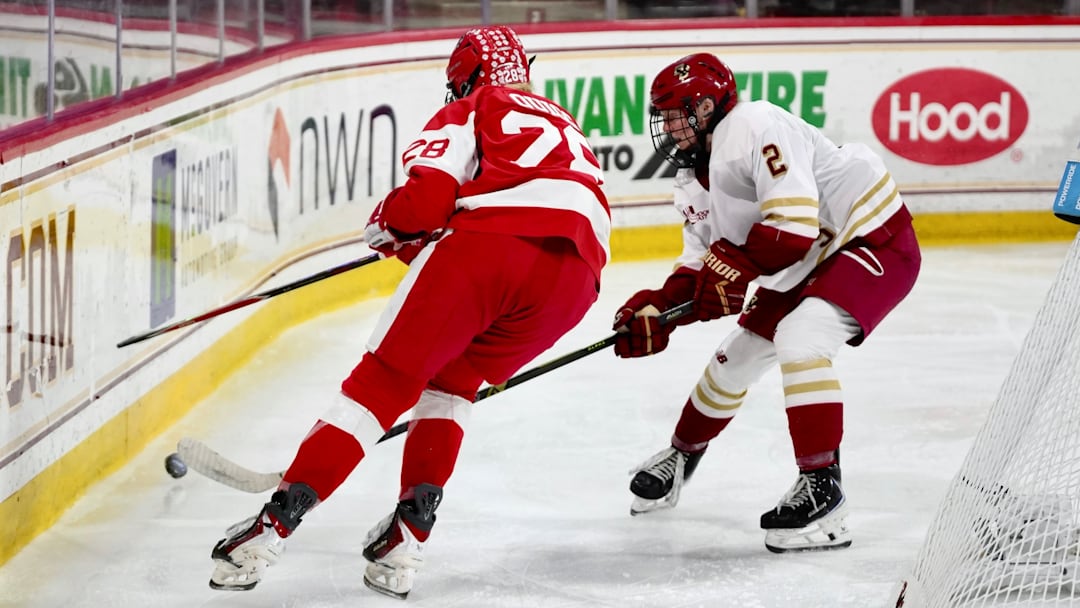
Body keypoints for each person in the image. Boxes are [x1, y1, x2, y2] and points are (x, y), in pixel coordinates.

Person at [207, 25, 610, 598]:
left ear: (466, 76)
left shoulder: (475, 107)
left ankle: (267, 530)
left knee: (382, 383)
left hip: (490, 250)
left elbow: (426, 206)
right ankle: (407, 539)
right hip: (577, 278)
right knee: (453, 383)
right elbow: (510, 214)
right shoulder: (563, 121)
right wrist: (414, 241)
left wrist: (388, 221)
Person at [614, 52, 920, 553]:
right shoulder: (692, 180)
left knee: (803, 338)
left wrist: (730, 270)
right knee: (733, 359)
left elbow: (792, 231)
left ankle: (825, 492)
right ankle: (680, 457)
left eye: (674, 114)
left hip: (868, 237)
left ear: (707, 107)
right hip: (806, 261)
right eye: (663, 117)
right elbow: (702, 266)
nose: (667, 128)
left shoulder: (753, 125)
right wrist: (659, 310)